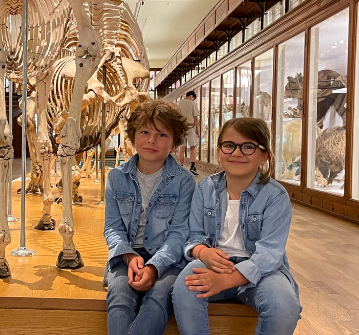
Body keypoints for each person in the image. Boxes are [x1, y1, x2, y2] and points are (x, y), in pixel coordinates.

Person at [172, 117, 301, 335]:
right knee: (184, 288)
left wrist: (225, 280)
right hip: (214, 263)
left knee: (284, 307)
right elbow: (194, 236)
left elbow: (269, 254)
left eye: (248, 147)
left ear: (264, 155)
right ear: (219, 151)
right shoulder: (205, 189)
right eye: (229, 145)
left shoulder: (275, 196)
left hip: (262, 271)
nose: (237, 153)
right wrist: (202, 252)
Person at [104, 100, 196, 335]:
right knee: (119, 297)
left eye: (162, 135)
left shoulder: (184, 181)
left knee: (158, 298)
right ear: (132, 137)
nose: (152, 140)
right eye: (145, 132)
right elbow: (112, 228)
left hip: (169, 259)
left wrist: (155, 266)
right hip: (126, 256)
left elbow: (180, 233)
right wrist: (128, 256)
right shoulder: (116, 177)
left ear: (175, 143)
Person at [177, 91, 200, 176]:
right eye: (193, 98)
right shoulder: (192, 103)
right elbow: (196, 118)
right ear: (191, 96)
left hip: (181, 128)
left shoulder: (179, 104)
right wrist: (198, 130)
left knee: (182, 148)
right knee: (193, 147)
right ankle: (192, 167)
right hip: (190, 127)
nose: (193, 100)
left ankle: (180, 167)